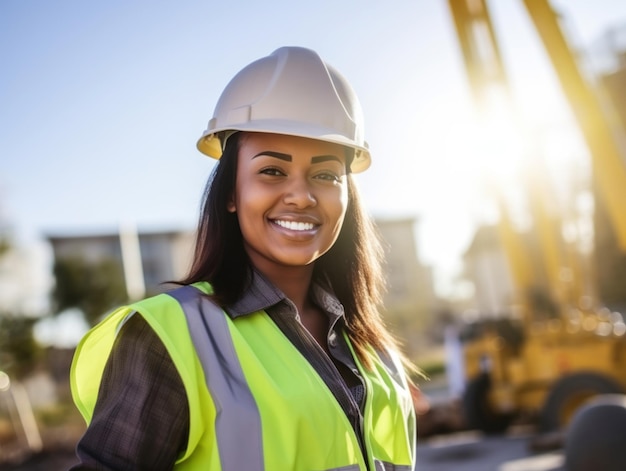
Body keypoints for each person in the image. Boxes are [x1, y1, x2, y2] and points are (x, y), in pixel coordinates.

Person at [69, 46, 418, 470]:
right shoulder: (173, 338)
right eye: (272, 171)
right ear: (231, 193)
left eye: (326, 174)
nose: (302, 196)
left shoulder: (370, 346)